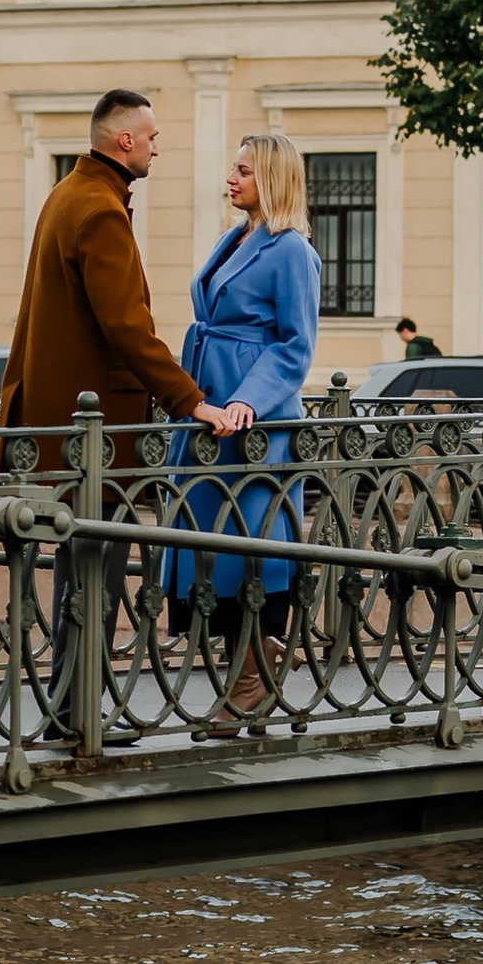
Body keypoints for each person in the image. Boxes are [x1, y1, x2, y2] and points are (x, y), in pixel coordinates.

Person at [0, 87, 243, 733]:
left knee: (78, 568)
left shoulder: (68, 194)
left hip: (64, 428)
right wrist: (193, 402)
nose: (159, 148)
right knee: (94, 575)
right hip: (94, 438)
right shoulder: (100, 211)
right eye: (153, 138)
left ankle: (69, 710)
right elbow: (127, 329)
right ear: (124, 140)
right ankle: (78, 714)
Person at [167, 132, 323, 727]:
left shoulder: (292, 251)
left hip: (254, 426)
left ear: (273, 179)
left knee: (249, 549)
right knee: (209, 546)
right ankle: (258, 662)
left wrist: (245, 403)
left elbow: (295, 348)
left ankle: (249, 682)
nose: (230, 179)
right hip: (212, 414)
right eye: (232, 169)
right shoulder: (235, 237)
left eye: (243, 172)